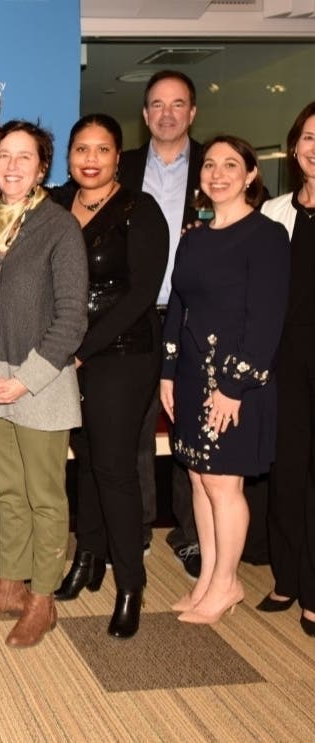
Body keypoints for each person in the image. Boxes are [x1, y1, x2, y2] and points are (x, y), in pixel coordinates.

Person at [0, 120, 88, 648]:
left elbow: (72, 317)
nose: (11, 165)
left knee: (45, 497)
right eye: (3, 155)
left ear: (42, 167)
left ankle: (43, 598)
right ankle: (9, 585)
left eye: (23, 157)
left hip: (42, 384)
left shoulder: (59, 227)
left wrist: (26, 380)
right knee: (7, 492)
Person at [161, 135, 289, 624]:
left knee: (223, 483)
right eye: (209, 164)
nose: (217, 173)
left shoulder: (267, 236)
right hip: (192, 377)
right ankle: (210, 577)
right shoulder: (194, 236)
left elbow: (266, 320)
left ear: (251, 174)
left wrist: (235, 387)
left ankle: (228, 582)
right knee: (198, 476)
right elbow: (178, 305)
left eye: (230, 165)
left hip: (236, 384)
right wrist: (168, 374)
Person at [49, 114, 168, 638]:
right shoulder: (52, 205)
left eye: (101, 150)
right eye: (81, 149)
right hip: (65, 356)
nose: (90, 159)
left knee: (116, 468)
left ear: (119, 157)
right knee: (87, 461)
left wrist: (81, 350)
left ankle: (130, 585)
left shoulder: (139, 210)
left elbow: (140, 296)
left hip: (122, 354)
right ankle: (88, 559)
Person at [118, 70, 204, 577]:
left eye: (178, 104)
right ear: (145, 114)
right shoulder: (122, 168)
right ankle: (139, 527)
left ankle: (192, 534)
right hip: (138, 315)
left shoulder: (216, 167)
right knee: (133, 426)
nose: (167, 113)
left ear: (192, 112)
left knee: (191, 428)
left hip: (195, 316)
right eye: (157, 104)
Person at [258, 101, 315, 636]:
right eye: (309, 138)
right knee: (287, 471)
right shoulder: (275, 213)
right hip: (284, 361)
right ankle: (286, 577)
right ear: (295, 146)